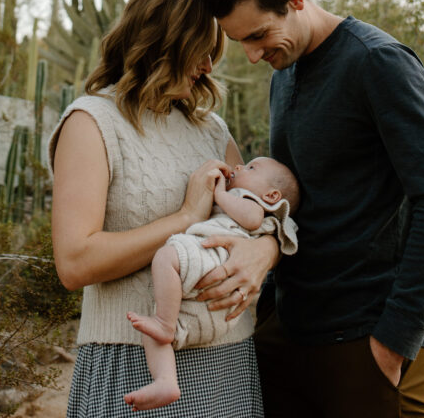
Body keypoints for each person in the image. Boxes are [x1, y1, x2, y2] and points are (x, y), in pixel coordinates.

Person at [202, 0, 424, 418]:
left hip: (366, 338)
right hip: (293, 328)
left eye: (258, 35)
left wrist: (392, 344)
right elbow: (297, 202)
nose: (251, 54)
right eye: (240, 40)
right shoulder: (284, 71)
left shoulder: (377, 62)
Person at [50, 0, 279, 418]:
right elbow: (75, 263)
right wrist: (185, 217)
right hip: (133, 358)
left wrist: (265, 250)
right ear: (163, 45)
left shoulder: (212, 130)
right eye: (201, 52)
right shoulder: (93, 121)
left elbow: (264, 215)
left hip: (229, 359)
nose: (208, 68)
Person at [125, 156, 299, 411]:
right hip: (212, 295)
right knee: (152, 333)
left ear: (272, 195)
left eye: (251, 168)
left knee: (166, 257)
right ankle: (166, 380)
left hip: (217, 255)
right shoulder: (241, 196)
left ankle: (165, 322)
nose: (239, 167)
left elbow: (250, 219)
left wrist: (219, 192)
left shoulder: (253, 203)